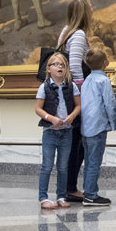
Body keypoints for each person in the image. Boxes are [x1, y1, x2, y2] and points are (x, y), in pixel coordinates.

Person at [35, 52, 80, 210]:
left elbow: (78, 106)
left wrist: (72, 116)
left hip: (66, 132)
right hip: (50, 132)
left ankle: (61, 195)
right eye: (56, 64)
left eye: (62, 64)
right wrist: (50, 118)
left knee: (63, 166)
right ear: (48, 69)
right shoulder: (44, 87)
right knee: (47, 165)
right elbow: (38, 109)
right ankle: (43, 197)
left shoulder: (71, 85)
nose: (59, 67)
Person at [58, 0, 92, 203]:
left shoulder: (65, 32)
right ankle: (70, 187)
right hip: (75, 95)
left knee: (70, 143)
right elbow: (76, 67)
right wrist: (82, 97)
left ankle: (67, 186)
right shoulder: (78, 35)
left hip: (68, 95)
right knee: (76, 143)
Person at [78, 45, 116, 207]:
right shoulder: (104, 80)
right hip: (98, 126)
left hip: (85, 127)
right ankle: (91, 194)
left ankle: (88, 191)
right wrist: (114, 122)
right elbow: (109, 103)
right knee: (95, 161)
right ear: (106, 63)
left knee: (89, 161)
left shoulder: (86, 80)